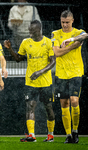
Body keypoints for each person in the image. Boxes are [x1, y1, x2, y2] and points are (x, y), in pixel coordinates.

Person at [4, 20, 56, 142]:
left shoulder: (48, 42)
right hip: (30, 82)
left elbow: (53, 62)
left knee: (48, 107)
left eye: (32, 31)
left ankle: (50, 135)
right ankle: (31, 135)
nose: (30, 33)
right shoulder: (25, 42)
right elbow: (18, 59)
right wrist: (10, 49)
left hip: (45, 82)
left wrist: (39, 72)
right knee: (30, 106)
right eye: (29, 31)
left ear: (39, 30)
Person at [51, 10, 86, 144]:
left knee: (74, 100)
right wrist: (73, 46)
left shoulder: (78, 32)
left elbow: (86, 35)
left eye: (67, 22)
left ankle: (75, 131)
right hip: (61, 74)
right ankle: (68, 135)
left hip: (76, 72)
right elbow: (57, 53)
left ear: (72, 21)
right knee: (64, 104)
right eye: (62, 22)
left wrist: (70, 40)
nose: (65, 25)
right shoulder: (55, 33)